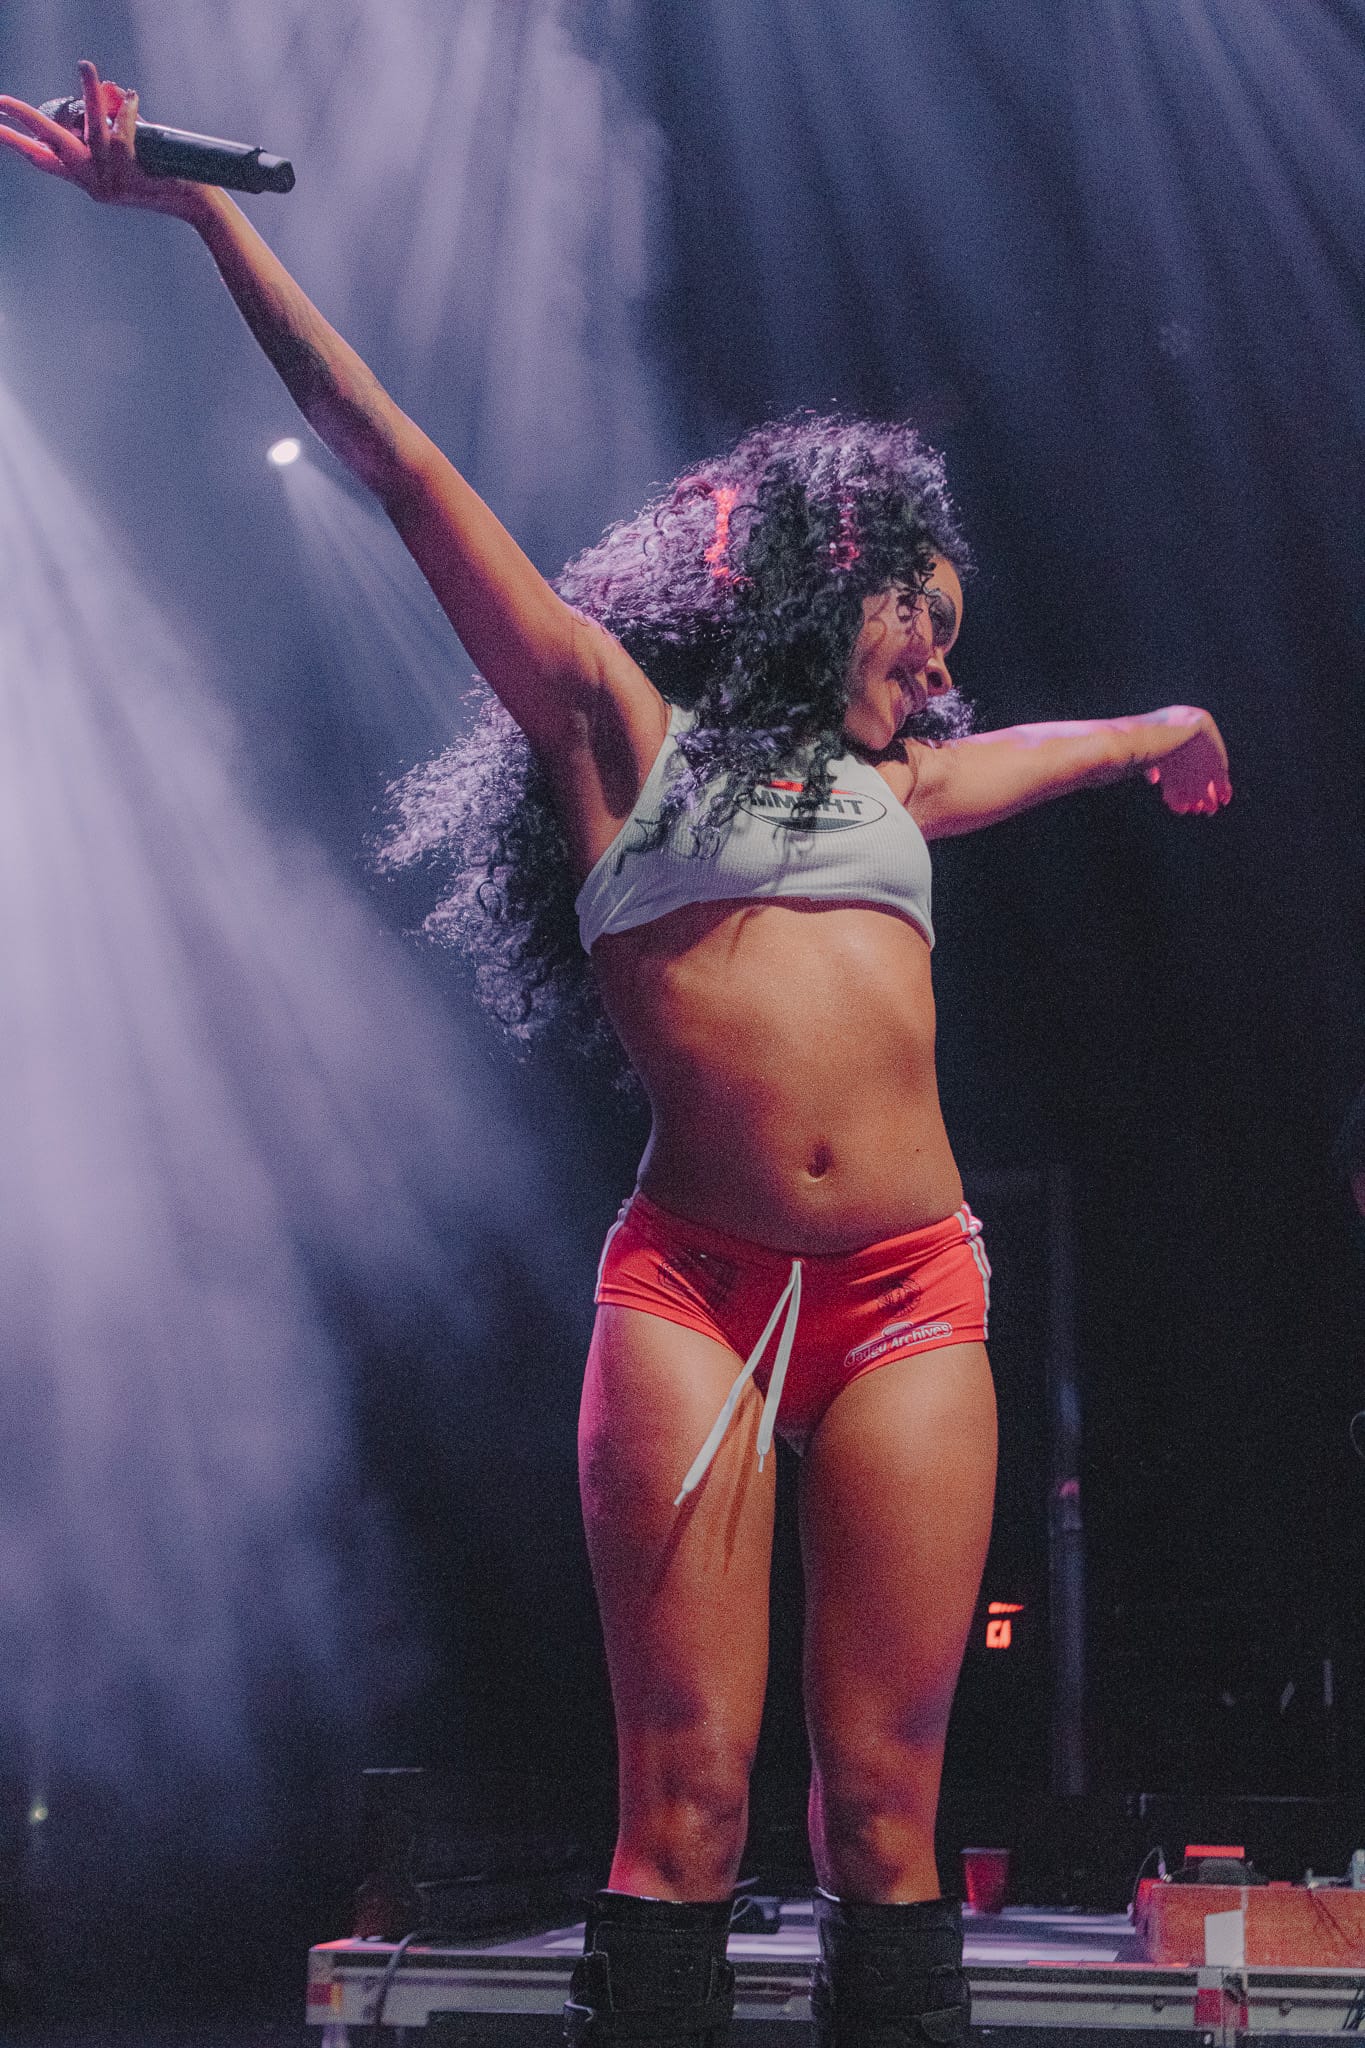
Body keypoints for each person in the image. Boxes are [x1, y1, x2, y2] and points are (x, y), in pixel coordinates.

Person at [0, 66, 1232, 2048]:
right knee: (683, 1811)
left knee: (884, 1820)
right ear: (816, 591)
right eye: (914, 620)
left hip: (910, 1296)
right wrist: (208, 216)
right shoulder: (608, 736)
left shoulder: (899, 789)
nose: (939, 661)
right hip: (693, 1297)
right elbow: (395, 460)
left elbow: (1043, 748)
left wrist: (1164, 728)